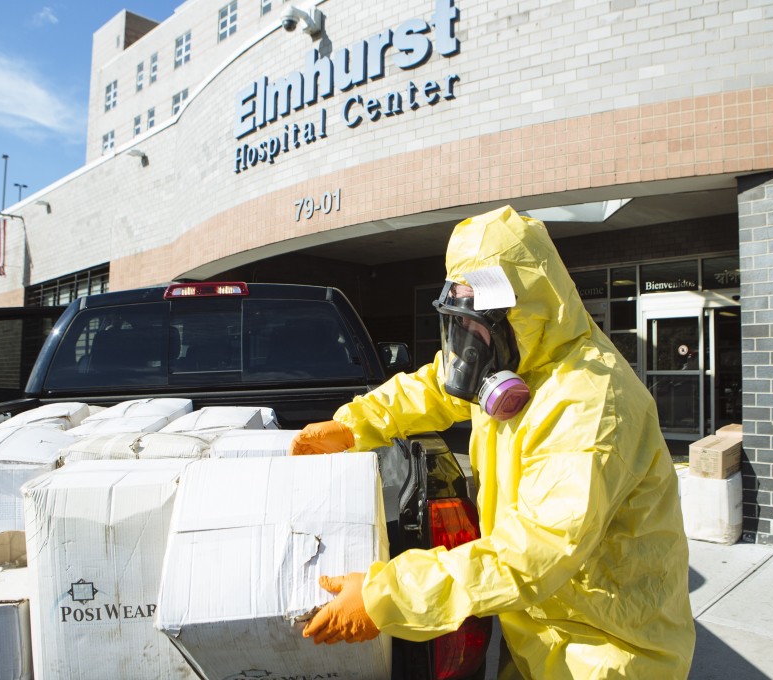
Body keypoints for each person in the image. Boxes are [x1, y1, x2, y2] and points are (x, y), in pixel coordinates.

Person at [289, 205, 696, 679]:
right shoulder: (511, 356)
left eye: (475, 319)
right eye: (457, 318)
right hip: (538, 638)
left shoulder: (589, 402)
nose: (464, 343)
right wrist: (354, 425)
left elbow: (534, 552)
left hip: (607, 654)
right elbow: (435, 385)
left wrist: (388, 596)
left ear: (523, 312)